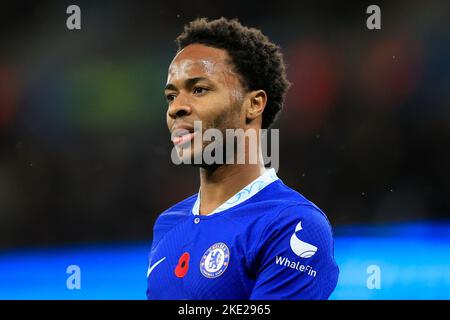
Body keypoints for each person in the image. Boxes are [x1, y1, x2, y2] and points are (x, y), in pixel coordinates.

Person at [146, 17, 339, 300]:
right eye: (171, 96)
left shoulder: (292, 224)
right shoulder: (168, 223)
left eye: (199, 89)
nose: (177, 108)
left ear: (253, 104)